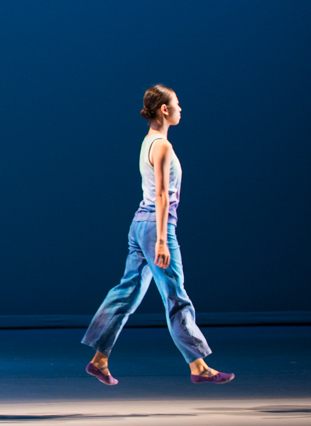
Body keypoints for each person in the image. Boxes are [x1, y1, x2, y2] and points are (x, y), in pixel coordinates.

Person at [81, 85, 234, 385]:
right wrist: (163, 239)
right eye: (177, 103)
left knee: (129, 291)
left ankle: (100, 359)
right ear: (164, 109)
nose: (180, 108)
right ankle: (199, 367)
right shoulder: (162, 146)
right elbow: (162, 195)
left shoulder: (149, 141)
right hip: (155, 227)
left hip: (140, 224)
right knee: (175, 295)